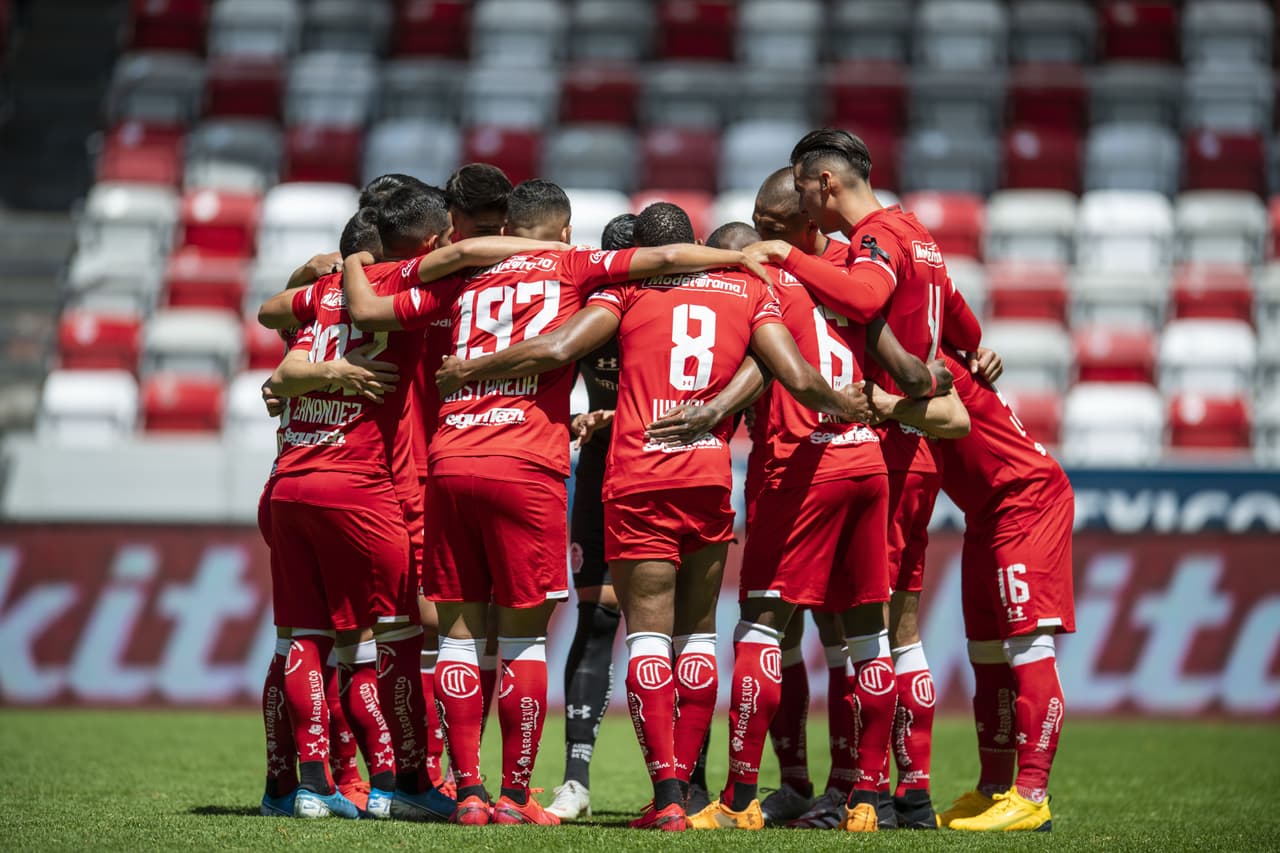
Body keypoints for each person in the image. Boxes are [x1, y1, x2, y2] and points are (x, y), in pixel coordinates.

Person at [432, 202, 878, 831]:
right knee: (698, 636)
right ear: (694, 243)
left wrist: (471, 369)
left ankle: (667, 794)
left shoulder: (626, 293)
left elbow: (558, 345)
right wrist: (846, 403)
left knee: (643, 638)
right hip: (707, 476)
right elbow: (792, 373)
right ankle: (694, 798)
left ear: (642, 249)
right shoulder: (748, 289)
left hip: (638, 477)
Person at [343, 186, 781, 826]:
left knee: (460, 639)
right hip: (540, 464)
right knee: (543, 640)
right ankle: (534, 795)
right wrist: (741, 261)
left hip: (455, 457)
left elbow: (371, 310)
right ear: (566, 229)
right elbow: (660, 270)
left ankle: (469, 792)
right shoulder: (578, 266)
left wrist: (346, 263)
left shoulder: (460, 274)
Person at [646, 221, 967, 834]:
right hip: (870, 465)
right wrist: (927, 380)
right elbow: (915, 371)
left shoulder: (758, 288)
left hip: (799, 468)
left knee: (762, 627)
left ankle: (741, 799)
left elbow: (769, 370)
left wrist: (713, 409)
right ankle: (866, 800)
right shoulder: (854, 283)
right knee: (872, 634)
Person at [256, 186, 546, 822]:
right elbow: (465, 257)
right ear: (428, 238)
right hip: (371, 487)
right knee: (397, 639)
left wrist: (313, 361)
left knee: (305, 641)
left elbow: (272, 332)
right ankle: (400, 779)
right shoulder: (413, 285)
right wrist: (554, 252)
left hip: (293, 480)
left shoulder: (320, 296)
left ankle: (301, 785)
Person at [745, 130, 988, 827]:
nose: (802, 213)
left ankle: (865, 788)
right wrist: (961, 356)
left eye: (802, 194)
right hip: (916, 449)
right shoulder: (921, 232)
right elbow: (943, 331)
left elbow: (860, 297)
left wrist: (785, 256)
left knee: (863, 632)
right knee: (896, 632)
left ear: (823, 182)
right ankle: (907, 793)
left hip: (882, 446)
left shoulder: (877, 238)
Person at [929, 345, 1074, 833]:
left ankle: (1033, 796)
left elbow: (955, 421)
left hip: (1024, 500)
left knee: (1028, 644)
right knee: (986, 652)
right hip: (985, 512)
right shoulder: (927, 353)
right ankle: (994, 790)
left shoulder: (926, 361)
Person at [545, 213, 637, 822]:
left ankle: (689, 783)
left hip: (653, 466)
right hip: (602, 470)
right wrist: (581, 416)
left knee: (679, 630)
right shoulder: (585, 310)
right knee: (600, 616)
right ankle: (575, 779)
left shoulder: (673, 307)